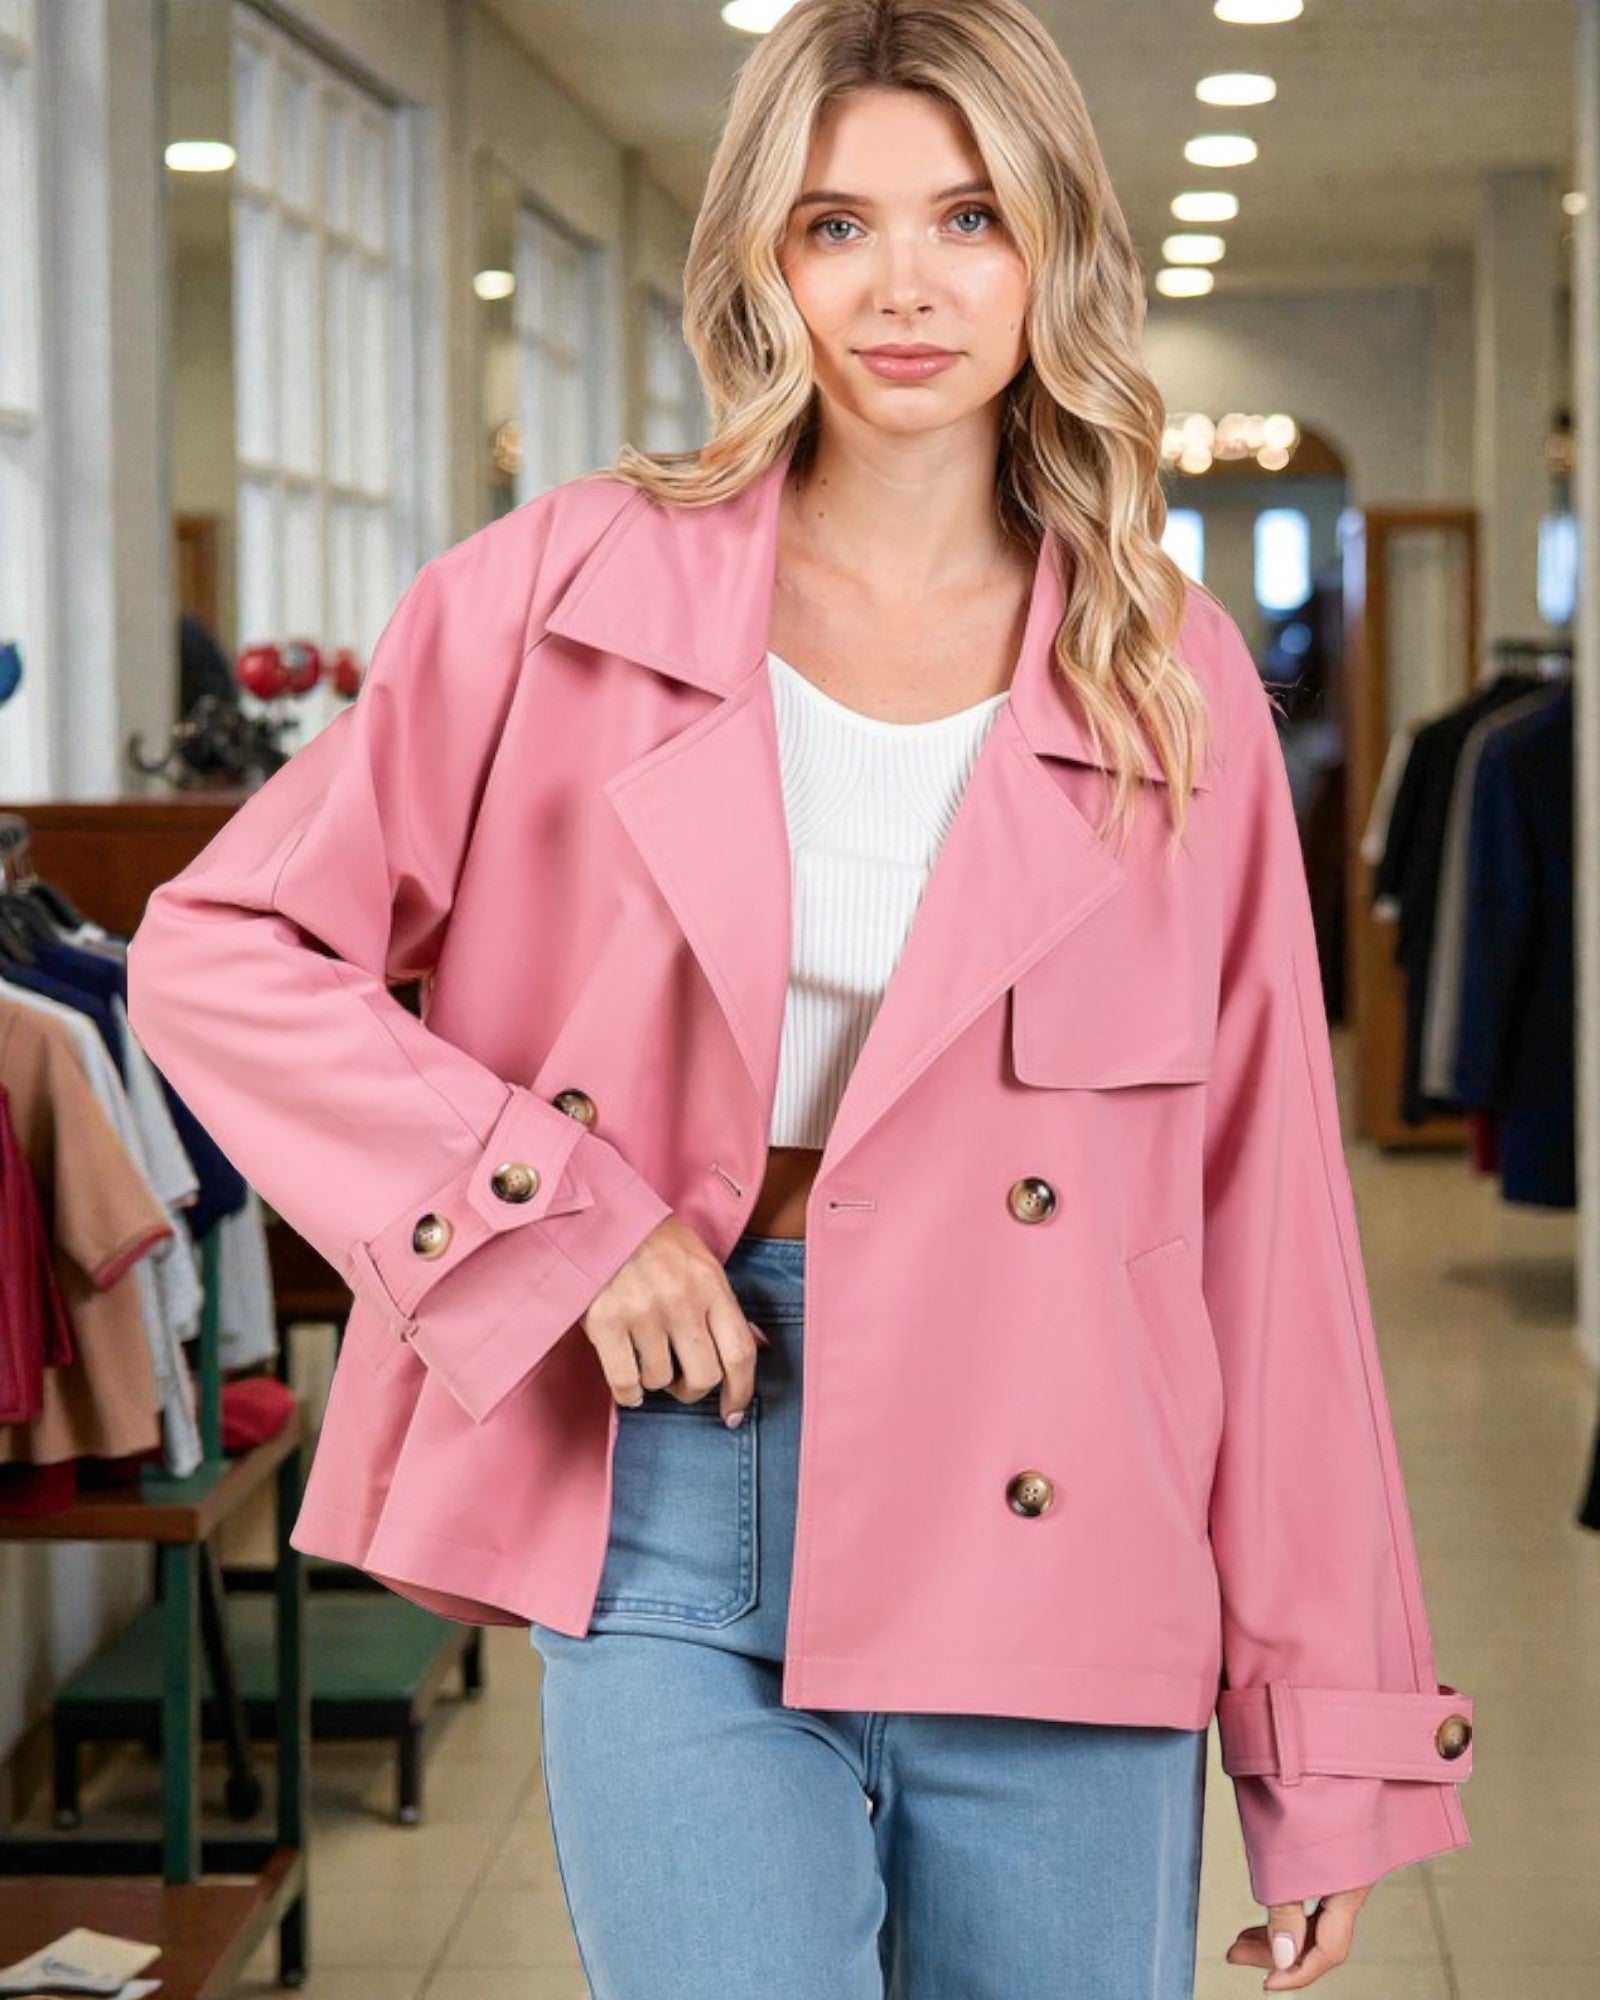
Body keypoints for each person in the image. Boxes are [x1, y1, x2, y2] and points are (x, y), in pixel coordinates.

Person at [125, 3, 1474, 1995]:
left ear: (1052, 251)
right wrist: (549, 1219)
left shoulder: (1162, 678)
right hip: (679, 1459)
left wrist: (1326, 1738)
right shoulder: (553, 594)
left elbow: (1262, 1234)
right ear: (761, 256)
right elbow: (216, 949)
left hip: (1063, 1490)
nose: (905, 285)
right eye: (837, 224)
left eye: (968, 218)